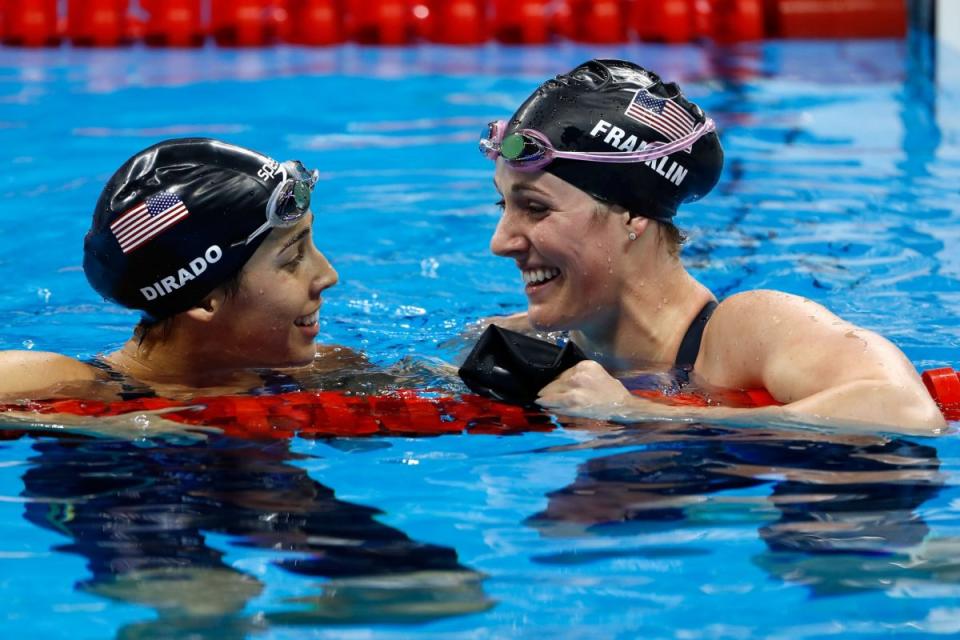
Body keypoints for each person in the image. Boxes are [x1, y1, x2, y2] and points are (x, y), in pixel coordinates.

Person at [479, 59, 945, 434]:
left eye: (536, 209)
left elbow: (905, 410)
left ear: (633, 214)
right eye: (503, 205)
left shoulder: (746, 330)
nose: (501, 242)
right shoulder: (521, 341)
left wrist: (643, 412)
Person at [0, 138, 346, 399]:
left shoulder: (320, 376)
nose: (328, 275)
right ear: (203, 301)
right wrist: (100, 423)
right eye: (292, 258)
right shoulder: (73, 387)